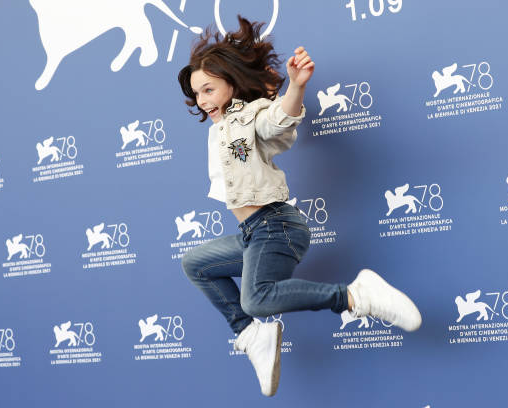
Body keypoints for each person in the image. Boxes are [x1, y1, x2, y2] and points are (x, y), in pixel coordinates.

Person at [177, 16, 422, 397]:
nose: (203, 101)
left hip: (275, 226)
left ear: (230, 82)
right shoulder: (220, 128)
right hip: (252, 234)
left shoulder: (252, 114)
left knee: (256, 297)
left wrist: (295, 87)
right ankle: (250, 334)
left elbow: (278, 122)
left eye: (209, 89)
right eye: (197, 95)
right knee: (196, 263)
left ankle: (356, 295)